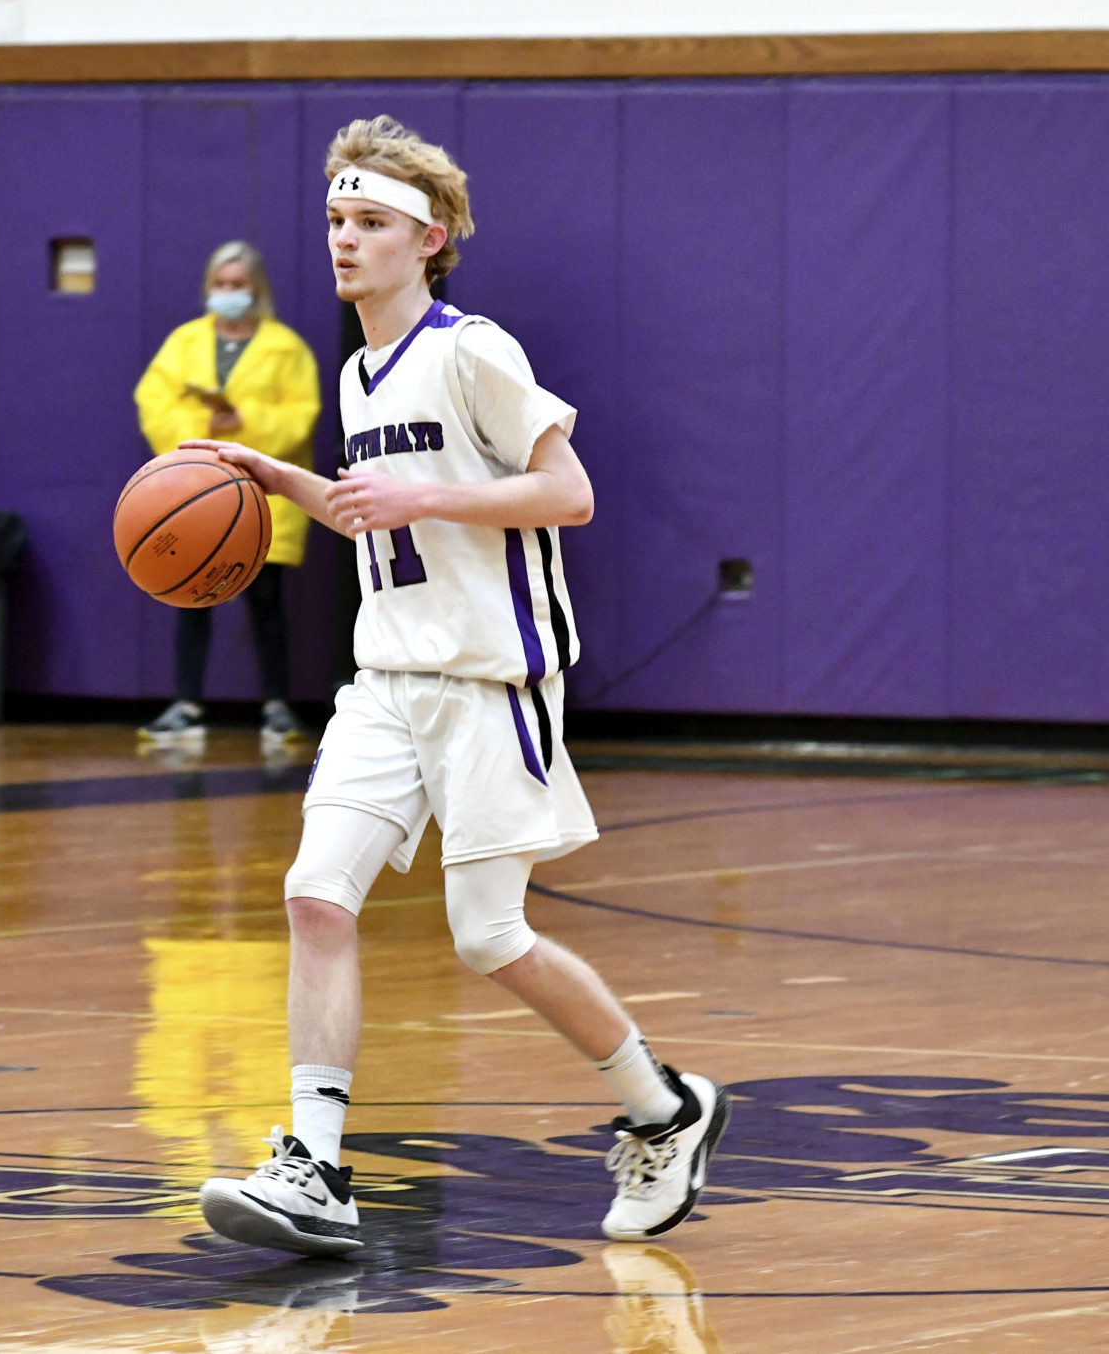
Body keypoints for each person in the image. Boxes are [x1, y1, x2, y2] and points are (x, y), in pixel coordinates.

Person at [187, 117, 726, 1256]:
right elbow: (372, 507)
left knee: (487, 937)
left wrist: (426, 497)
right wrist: (286, 481)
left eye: (370, 223)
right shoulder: (354, 367)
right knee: (314, 897)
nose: (344, 241)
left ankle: (664, 1109)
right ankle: (315, 1169)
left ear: (427, 239)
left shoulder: (473, 349)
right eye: (335, 221)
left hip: (491, 683)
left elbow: (566, 494)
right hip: (385, 678)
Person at [132, 241, 321, 743]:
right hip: (194, 497)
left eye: (239, 285)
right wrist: (205, 425)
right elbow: (154, 403)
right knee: (190, 595)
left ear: (256, 289)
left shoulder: (287, 348)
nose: (229, 293)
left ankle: (277, 706)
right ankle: (187, 703)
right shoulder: (184, 343)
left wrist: (245, 423)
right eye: (221, 284)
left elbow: (300, 418)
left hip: (263, 500)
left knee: (266, 602)